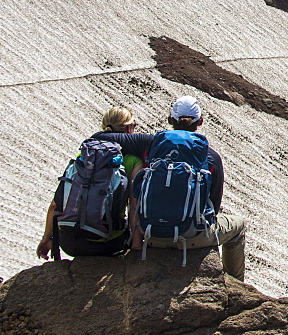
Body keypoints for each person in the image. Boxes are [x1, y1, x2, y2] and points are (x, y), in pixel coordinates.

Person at [130, 96, 246, 281]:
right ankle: (236, 284)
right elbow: (214, 207)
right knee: (238, 226)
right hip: (189, 236)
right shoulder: (210, 157)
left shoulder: (152, 147)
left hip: (150, 233)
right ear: (200, 122)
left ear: (170, 120)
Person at [36, 107, 141, 259]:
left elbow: (56, 203)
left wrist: (47, 239)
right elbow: (134, 207)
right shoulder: (132, 161)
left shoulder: (84, 155)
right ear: (128, 129)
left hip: (70, 243)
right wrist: (136, 245)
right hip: (107, 243)